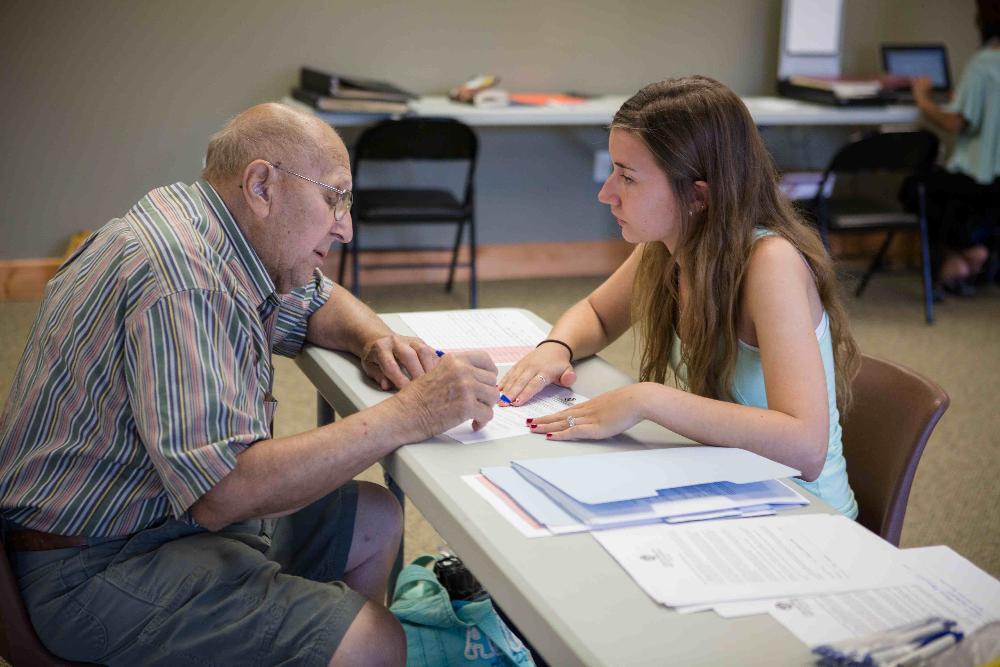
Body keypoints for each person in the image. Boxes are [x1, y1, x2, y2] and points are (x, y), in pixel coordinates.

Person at [0, 103, 500, 666]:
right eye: (334, 197)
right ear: (262, 184)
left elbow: (316, 298)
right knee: (375, 643)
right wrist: (413, 412)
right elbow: (224, 494)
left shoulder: (207, 229)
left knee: (375, 519)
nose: (346, 226)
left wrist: (374, 339)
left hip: (148, 518)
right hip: (93, 567)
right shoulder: (188, 281)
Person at [499, 76, 861, 518]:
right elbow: (597, 313)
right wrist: (556, 348)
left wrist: (648, 399)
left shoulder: (770, 263)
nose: (606, 193)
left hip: (805, 515)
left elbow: (805, 449)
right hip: (730, 485)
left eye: (627, 177)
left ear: (697, 195)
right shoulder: (670, 244)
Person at [910, 0, 1000, 296]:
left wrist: (923, 100)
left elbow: (955, 123)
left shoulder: (984, 63)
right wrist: (960, 98)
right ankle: (967, 254)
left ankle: (966, 253)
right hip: (995, 180)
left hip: (977, 179)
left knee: (914, 187)